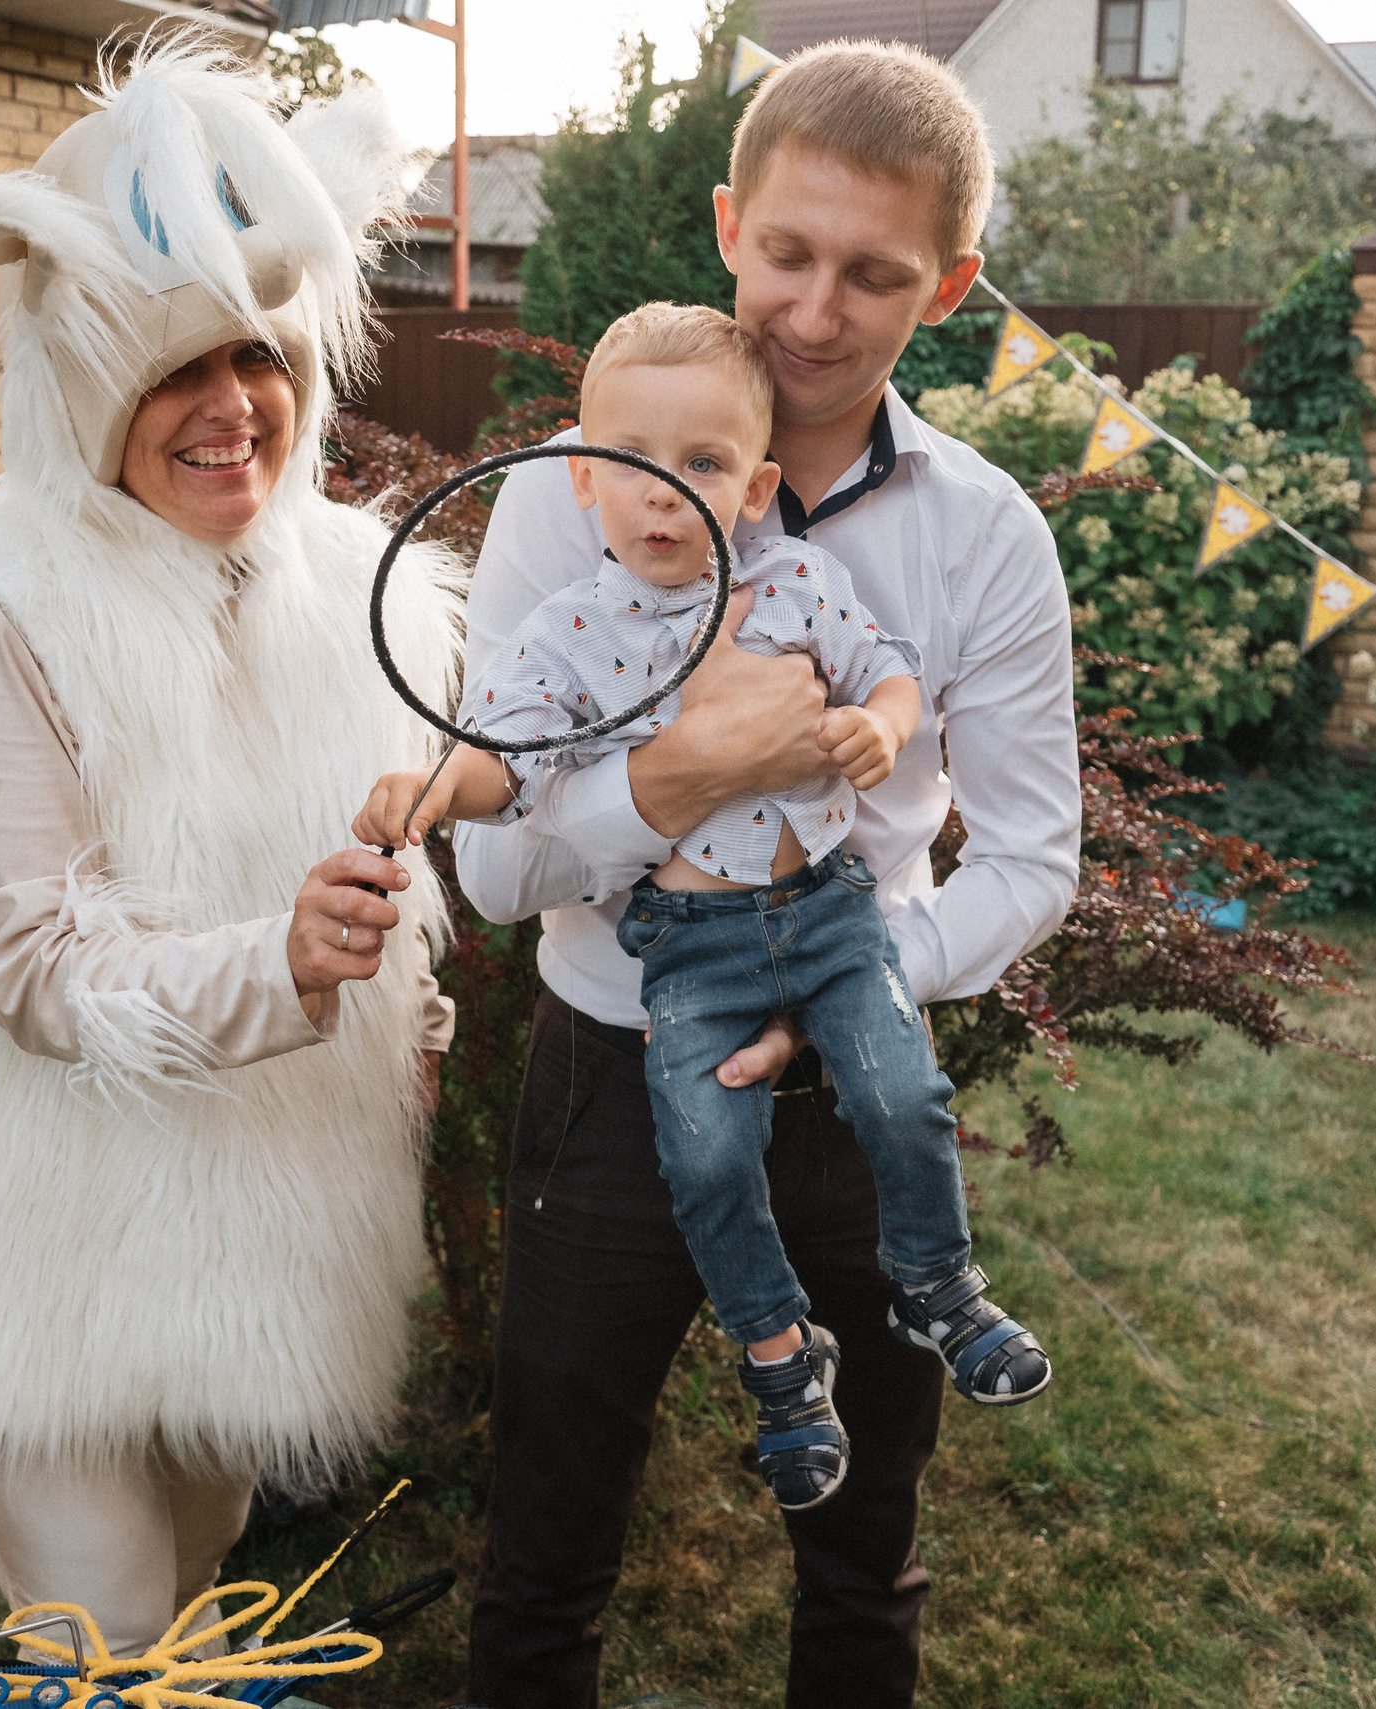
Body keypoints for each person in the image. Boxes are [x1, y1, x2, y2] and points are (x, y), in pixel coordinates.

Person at [449, 43, 1082, 1709]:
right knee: (545, 1549)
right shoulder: (561, 505)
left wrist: (854, 978)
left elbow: (1030, 856)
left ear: (946, 284)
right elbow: (500, 869)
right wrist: (686, 776)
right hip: (611, 1072)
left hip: (856, 1099)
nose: (816, 309)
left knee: (866, 1562)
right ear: (729, 223)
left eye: (876, 273)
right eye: (788, 252)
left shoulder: (988, 535)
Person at [0, 42, 462, 1659]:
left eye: (261, 355)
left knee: (204, 1554)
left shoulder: (360, 589)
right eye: (175, 368)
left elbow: (409, 879)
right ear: (85, 376)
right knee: (107, 1629)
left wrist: (410, 1008)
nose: (233, 406)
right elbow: (17, 946)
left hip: (257, 1209)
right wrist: (279, 959)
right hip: (40, 1224)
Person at [355, 303, 1051, 1520]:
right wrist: (428, 789)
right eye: (634, 467)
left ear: (754, 484)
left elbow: (889, 671)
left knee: (899, 1091)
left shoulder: (797, 578)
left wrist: (879, 726)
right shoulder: (570, 629)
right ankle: (783, 1360)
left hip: (834, 916)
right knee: (705, 1155)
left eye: (706, 467)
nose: (666, 494)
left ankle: (941, 1285)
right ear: (582, 475)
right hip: (687, 956)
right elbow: (504, 768)